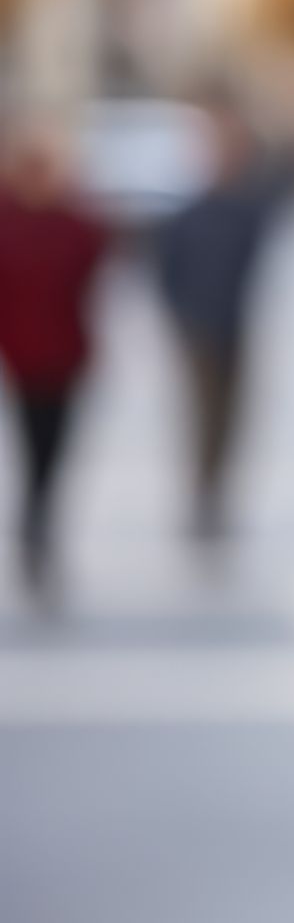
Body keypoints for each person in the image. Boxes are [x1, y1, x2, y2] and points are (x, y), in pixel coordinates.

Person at [151, 100, 287, 545]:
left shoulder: (247, 210)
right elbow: (166, 272)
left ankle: (217, 495)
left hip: (234, 325)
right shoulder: (190, 215)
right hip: (198, 329)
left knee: (232, 418)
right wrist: (181, 316)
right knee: (204, 416)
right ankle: (203, 496)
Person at [0, 121, 111, 595]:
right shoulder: (7, 219)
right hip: (22, 357)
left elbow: (95, 261)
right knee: (31, 443)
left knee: (57, 448)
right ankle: (34, 523)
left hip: (65, 355)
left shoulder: (75, 222)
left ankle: (40, 522)